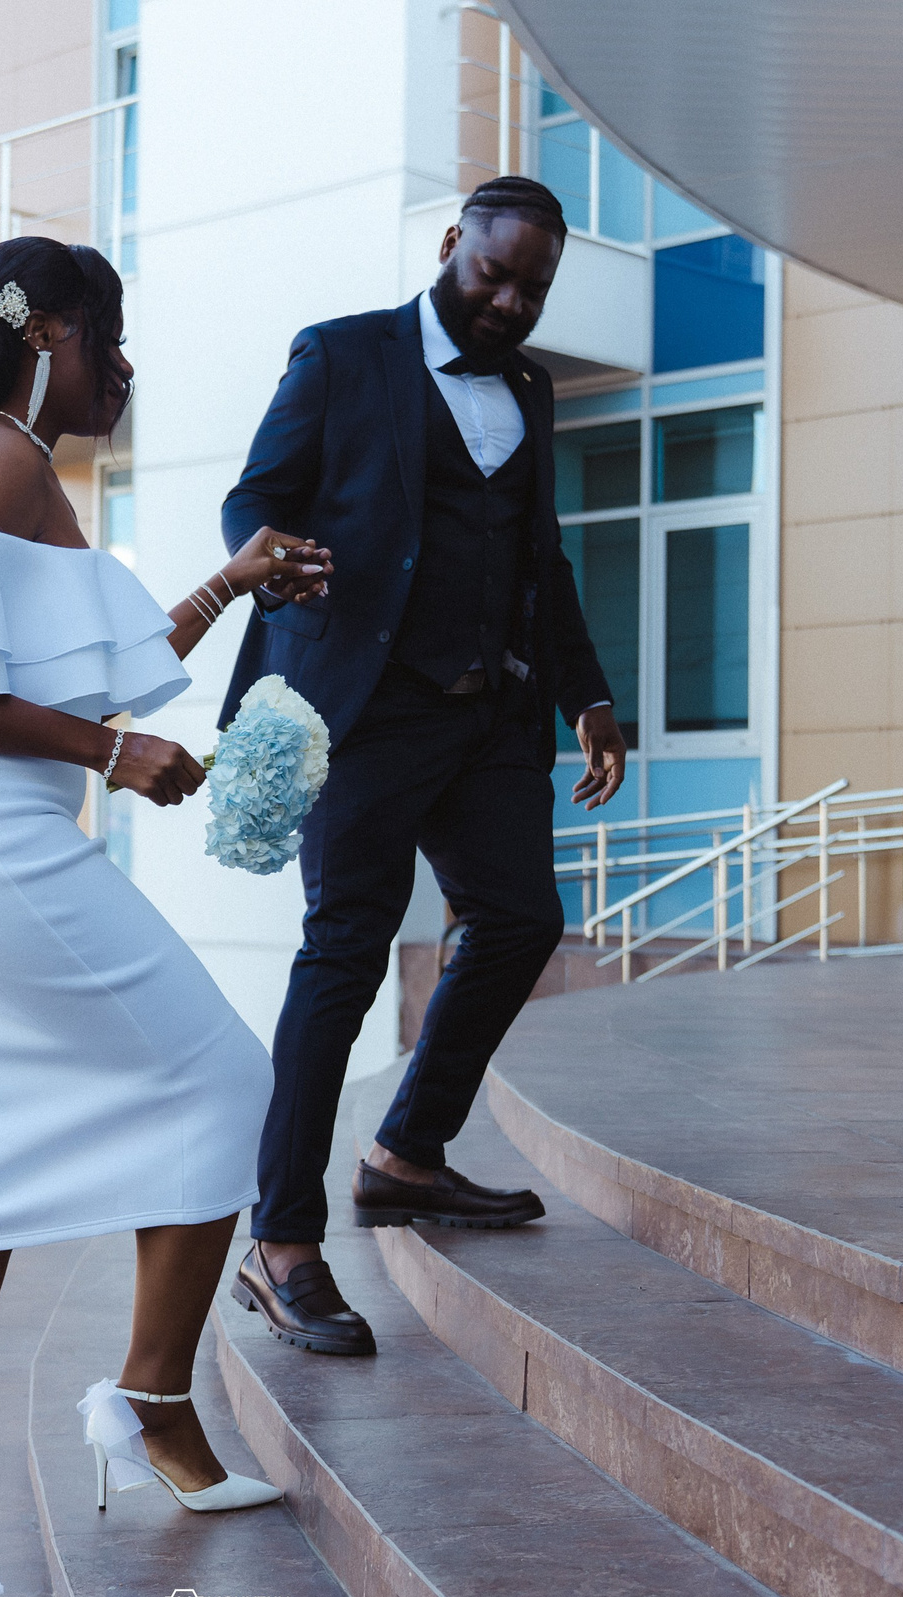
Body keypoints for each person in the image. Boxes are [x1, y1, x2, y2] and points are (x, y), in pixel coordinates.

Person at [0, 236, 334, 1597]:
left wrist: (230, 584)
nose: (127, 365)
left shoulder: (19, 467)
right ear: (48, 332)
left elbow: (87, 665)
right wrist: (112, 752)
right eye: (111, 336)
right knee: (227, 1080)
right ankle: (152, 1403)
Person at [219, 177, 628, 1357]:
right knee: (343, 953)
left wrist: (586, 693)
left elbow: (538, 553)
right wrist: (275, 561)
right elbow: (257, 494)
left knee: (517, 919)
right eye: (492, 273)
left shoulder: (534, 388)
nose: (508, 302)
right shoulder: (344, 357)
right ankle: (281, 1241)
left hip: (490, 714)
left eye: (531, 288)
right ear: (452, 246)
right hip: (363, 711)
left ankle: (405, 1153)